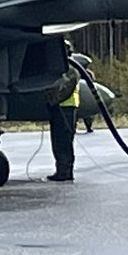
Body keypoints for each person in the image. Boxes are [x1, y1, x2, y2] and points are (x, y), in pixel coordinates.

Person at [44, 41, 80, 181]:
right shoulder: (66, 68)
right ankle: (62, 170)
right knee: (60, 140)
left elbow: (65, 90)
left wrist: (51, 100)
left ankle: (64, 171)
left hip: (65, 108)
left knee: (62, 141)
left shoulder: (69, 70)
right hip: (63, 107)